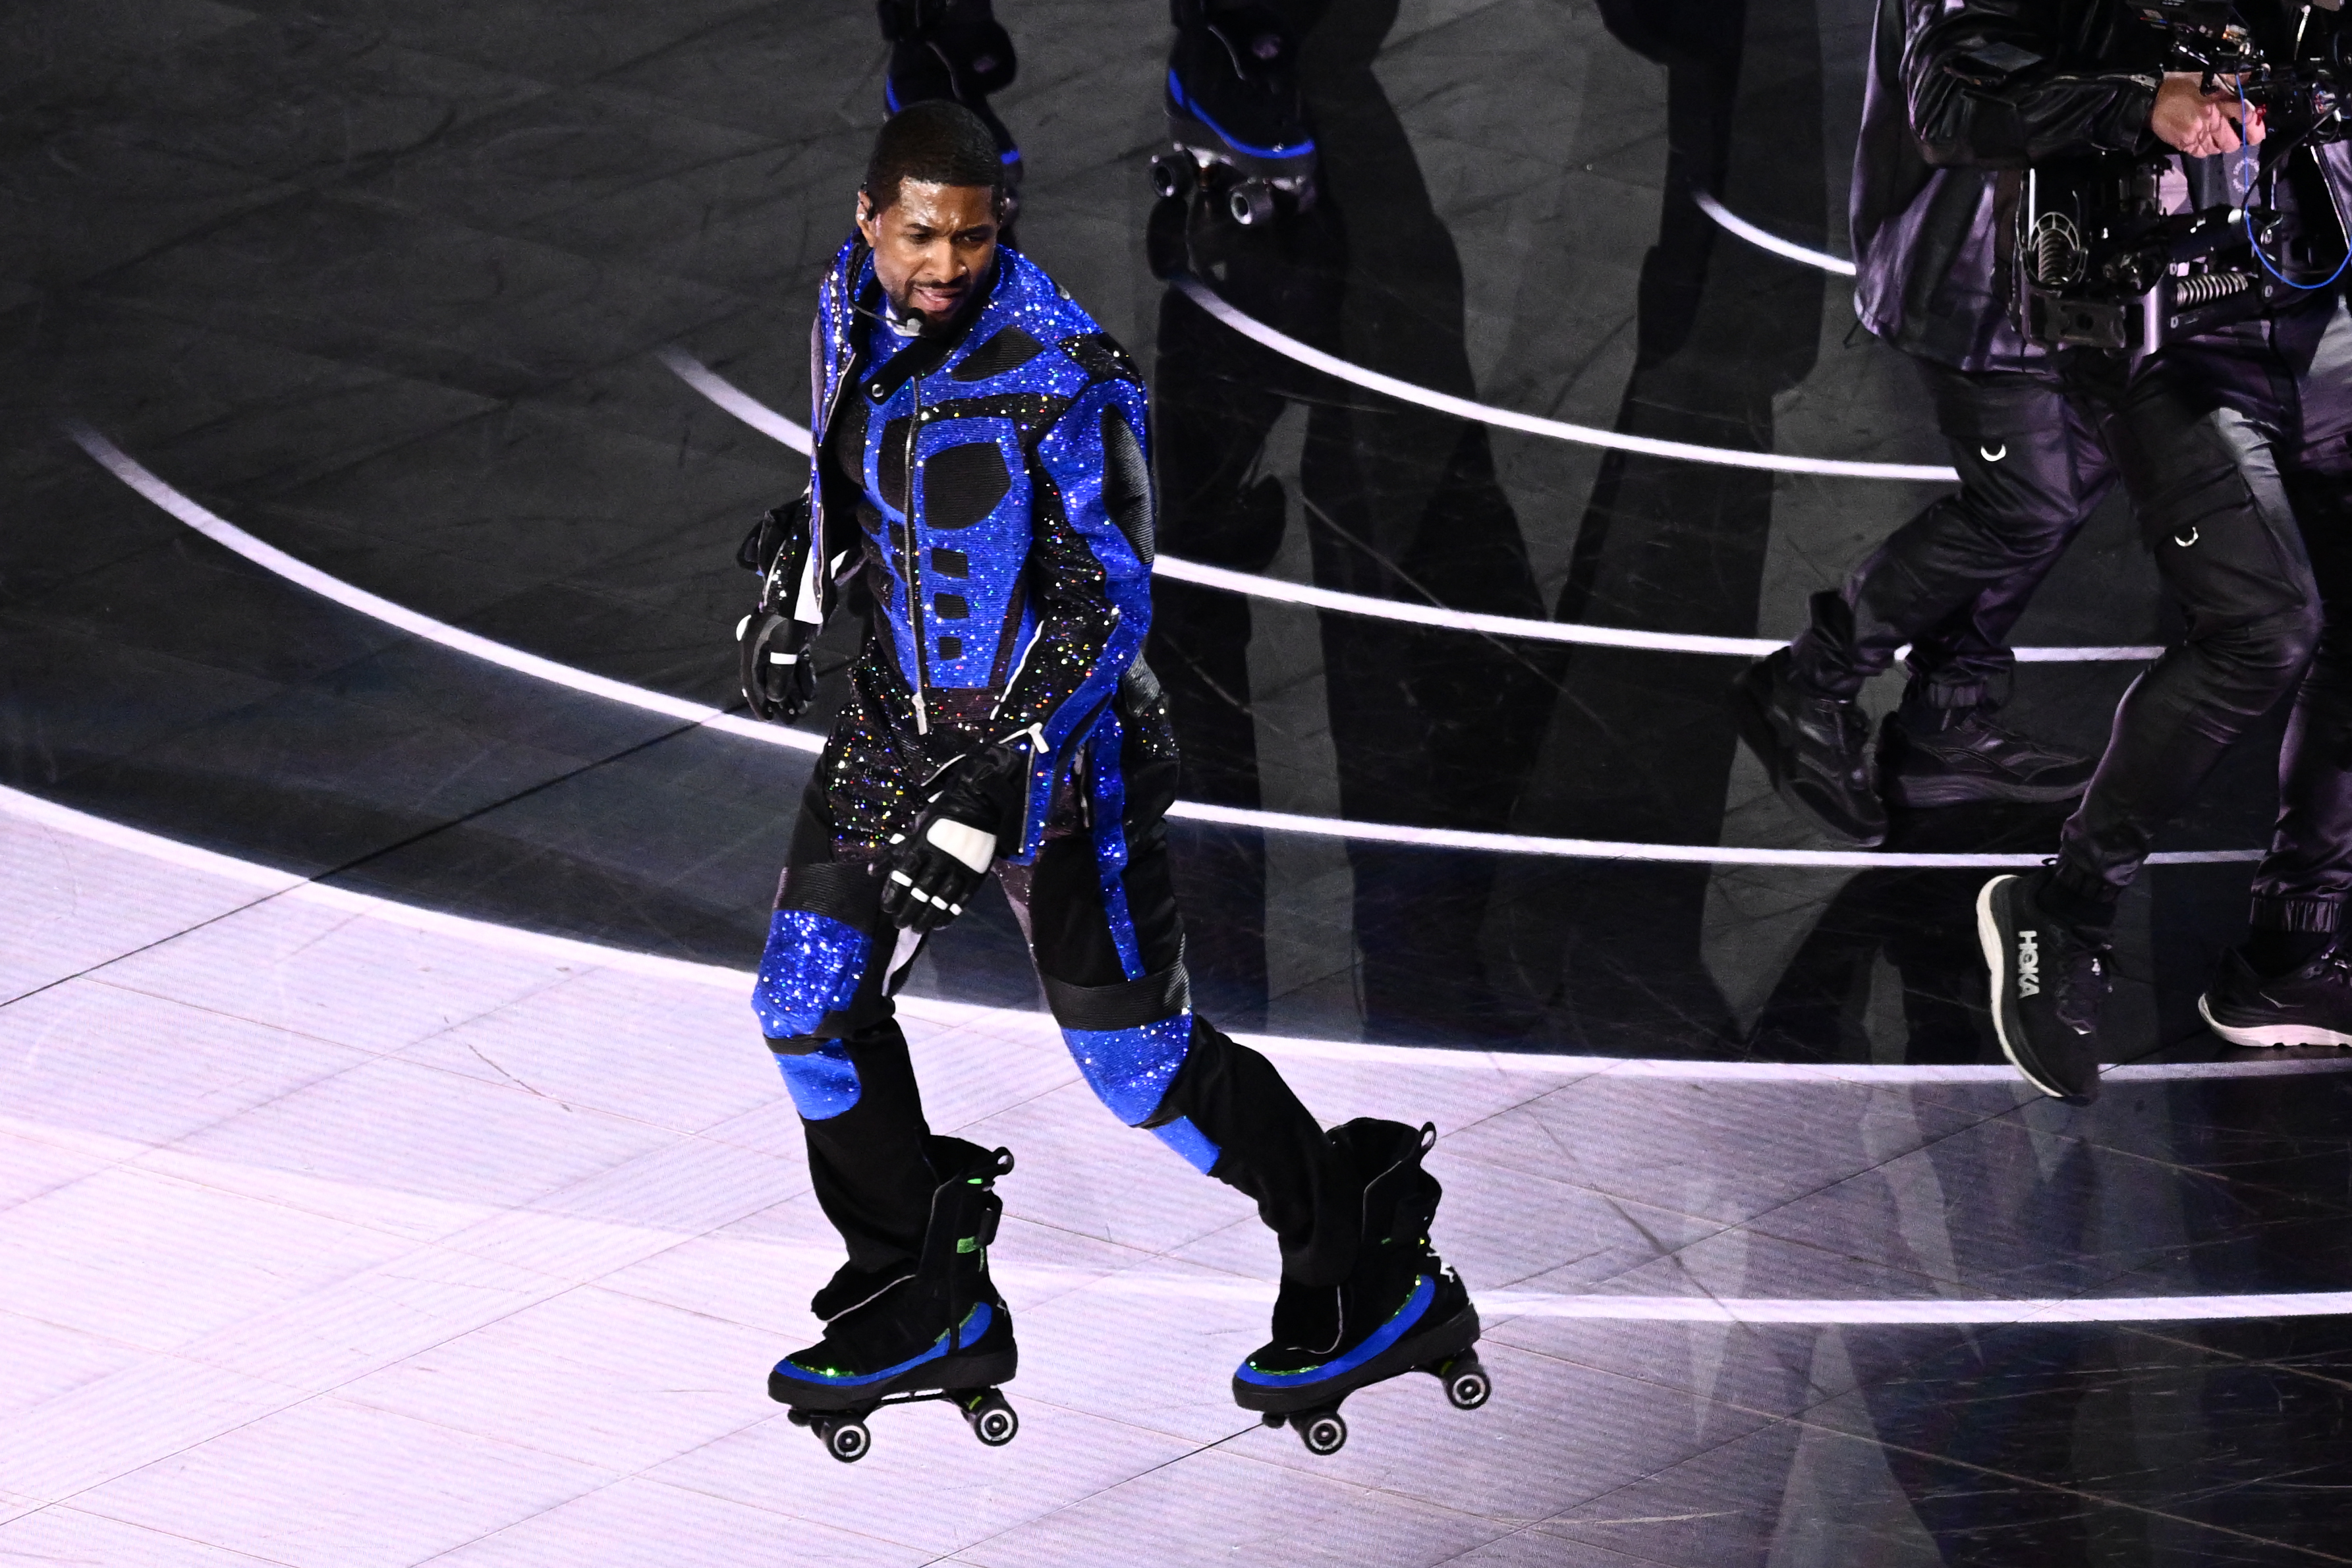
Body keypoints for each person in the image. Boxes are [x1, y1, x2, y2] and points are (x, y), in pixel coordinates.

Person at [732, 101, 1480, 1434]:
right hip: (896, 724)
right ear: (868, 220)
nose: (945, 265)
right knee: (804, 997)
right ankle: (922, 1282)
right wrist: (806, 557)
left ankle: (1358, 1251)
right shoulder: (848, 304)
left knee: (1136, 1063)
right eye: (920, 235)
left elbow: (1106, 610)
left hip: (1068, 767)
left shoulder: (1066, 374)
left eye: (970, 237)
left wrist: (983, 793)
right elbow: (866, 479)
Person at [1858, 0, 2351, 1101]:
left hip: (2314, 285)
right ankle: (2065, 904)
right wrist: (2143, 103)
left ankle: (2290, 955)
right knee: (2262, 627)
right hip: (2160, 326)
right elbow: (1946, 96)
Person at [1730, 0, 2112, 852]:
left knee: (2088, 461)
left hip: (2063, 256)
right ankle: (1809, 681)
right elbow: (1956, 105)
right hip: (1971, 267)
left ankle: (1948, 716)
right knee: (2027, 502)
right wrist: (2137, 96)